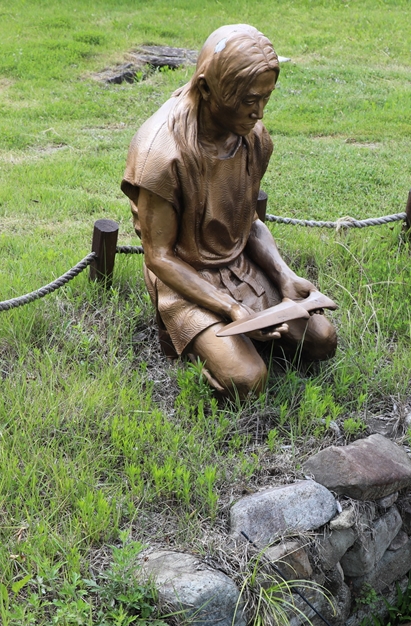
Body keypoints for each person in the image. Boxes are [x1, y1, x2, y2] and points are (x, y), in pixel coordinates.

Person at [121, 24, 337, 401]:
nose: (259, 113)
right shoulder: (161, 153)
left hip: (239, 265)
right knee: (247, 381)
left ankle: (247, 338)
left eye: (266, 98)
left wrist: (284, 276)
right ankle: (203, 349)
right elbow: (159, 257)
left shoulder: (253, 138)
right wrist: (231, 308)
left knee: (322, 340)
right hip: (184, 278)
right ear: (207, 89)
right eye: (248, 100)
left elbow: (250, 224)